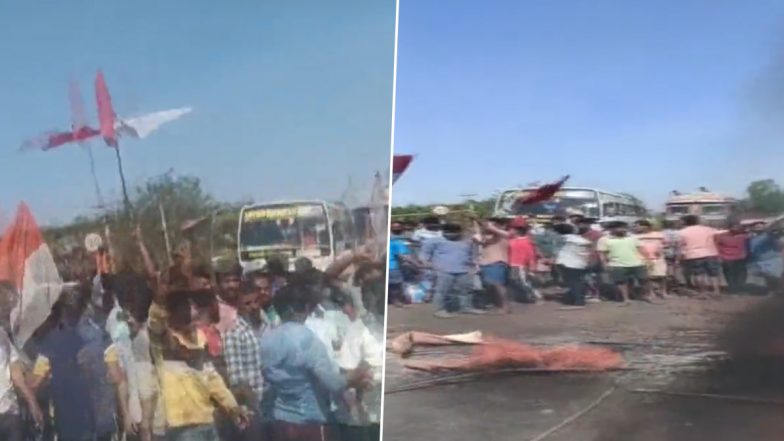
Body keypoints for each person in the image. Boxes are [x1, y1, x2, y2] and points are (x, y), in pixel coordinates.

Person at [260, 282, 371, 441]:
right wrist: (356, 375)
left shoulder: (267, 338)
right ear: (304, 307)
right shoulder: (308, 339)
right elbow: (333, 383)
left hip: (280, 419)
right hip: (310, 420)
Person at [29, 283, 125, 441]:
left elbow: (35, 381)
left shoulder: (50, 338)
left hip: (68, 416)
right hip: (101, 414)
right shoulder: (101, 333)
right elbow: (116, 376)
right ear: (85, 305)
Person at [0, 282, 44, 441]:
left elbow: (16, 369)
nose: (10, 305)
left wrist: (32, 402)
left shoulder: (4, 333)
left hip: (10, 412)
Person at [221, 286, 265, 441]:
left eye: (256, 301)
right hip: (248, 408)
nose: (253, 306)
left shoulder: (263, 323)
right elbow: (235, 377)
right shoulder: (234, 330)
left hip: (265, 403)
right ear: (238, 305)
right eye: (247, 303)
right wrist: (250, 405)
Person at [420, 223, 484, 318]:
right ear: (443, 232)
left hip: (464, 270)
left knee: (466, 290)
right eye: (448, 232)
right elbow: (424, 256)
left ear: (459, 232)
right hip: (443, 270)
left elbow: (473, 254)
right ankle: (439, 310)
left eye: (454, 232)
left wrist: (475, 265)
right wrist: (431, 266)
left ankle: (466, 307)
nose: (451, 234)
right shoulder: (433, 241)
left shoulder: (468, 241)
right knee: (442, 291)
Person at [597, 222, 652, 305]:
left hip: (637, 262)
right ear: (612, 229)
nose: (622, 230)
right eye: (619, 228)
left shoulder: (632, 237)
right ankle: (626, 299)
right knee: (621, 282)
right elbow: (602, 253)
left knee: (644, 279)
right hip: (617, 264)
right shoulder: (604, 239)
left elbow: (641, 248)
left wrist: (648, 259)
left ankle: (647, 296)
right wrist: (604, 263)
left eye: (623, 228)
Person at [474, 218, 511, 313]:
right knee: (488, 286)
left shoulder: (503, 234)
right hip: (484, 263)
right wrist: (479, 227)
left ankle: (505, 306)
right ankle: (496, 303)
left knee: (498, 285)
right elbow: (477, 240)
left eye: (494, 224)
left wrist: (490, 227)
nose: (490, 225)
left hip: (497, 263)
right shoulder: (487, 236)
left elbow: (506, 234)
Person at [678, 215, 722, 296]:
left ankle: (702, 292)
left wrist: (681, 256)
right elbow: (719, 234)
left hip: (693, 255)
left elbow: (681, 245)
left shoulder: (682, 232)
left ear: (685, 222)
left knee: (698, 274)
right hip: (710, 253)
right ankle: (716, 291)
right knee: (713, 273)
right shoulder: (708, 229)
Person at [554, 223, 592, 308]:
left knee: (574, 283)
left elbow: (555, 249)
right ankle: (576, 298)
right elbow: (588, 245)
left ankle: (579, 301)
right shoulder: (580, 239)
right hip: (582, 263)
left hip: (567, 263)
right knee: (578, 282)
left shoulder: (562, 239)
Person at [507, 217, 539, 304]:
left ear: (518, 230)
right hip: (511, 264)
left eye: (512, 229)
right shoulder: (511, 240)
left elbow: (531, 255)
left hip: (520, 265)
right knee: (515, 281)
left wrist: (532, 267)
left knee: (521, 281)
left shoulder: (527, 241)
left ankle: (533, 294)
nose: (510, 230)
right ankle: (522, 296)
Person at [748, 221, 784, 295]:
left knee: (776, 277)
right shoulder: (752, 238)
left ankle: (779, 291)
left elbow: (779, 246)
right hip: (760, 260)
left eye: (760, 227)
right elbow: (752, 250)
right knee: (767, 277)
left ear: (764, 227)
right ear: (753, 229)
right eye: (756, 227)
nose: (758, 228)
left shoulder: (769, 236)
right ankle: (771, 290)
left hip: (773, 259)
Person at [635, 220, 669, 298]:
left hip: (659, 258)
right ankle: (650, 292)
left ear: (645, 226)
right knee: (647, 277)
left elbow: (666, 244)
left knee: (662, 276)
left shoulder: (660, 234)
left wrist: (661, 249)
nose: (636, 228)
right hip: (643, 259)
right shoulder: (634, 237)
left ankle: (663, 292)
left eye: (637, 226)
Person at [714, 222, 749, 293]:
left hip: (740, 258)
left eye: (738, 227)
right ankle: (732, 289)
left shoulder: (744, 236)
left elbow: (748, 246)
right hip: (727, 258)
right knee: (729, 274)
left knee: (741, 274)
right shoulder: (721, 236)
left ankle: (740, 288)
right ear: (729, 228)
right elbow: (717, 246)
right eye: (734, 227)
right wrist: (719, 256)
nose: (736, 229)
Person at [388, 222, 417, 307]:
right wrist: (417, 265)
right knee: (396, 285)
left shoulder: (402, 239)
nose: (396, 229)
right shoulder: (397, 241)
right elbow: (403, 256)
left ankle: (396, 299)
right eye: (394, 227)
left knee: (394, 284)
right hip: (393, 266)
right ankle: (396, 301)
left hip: (393, 265)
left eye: (398, 227)